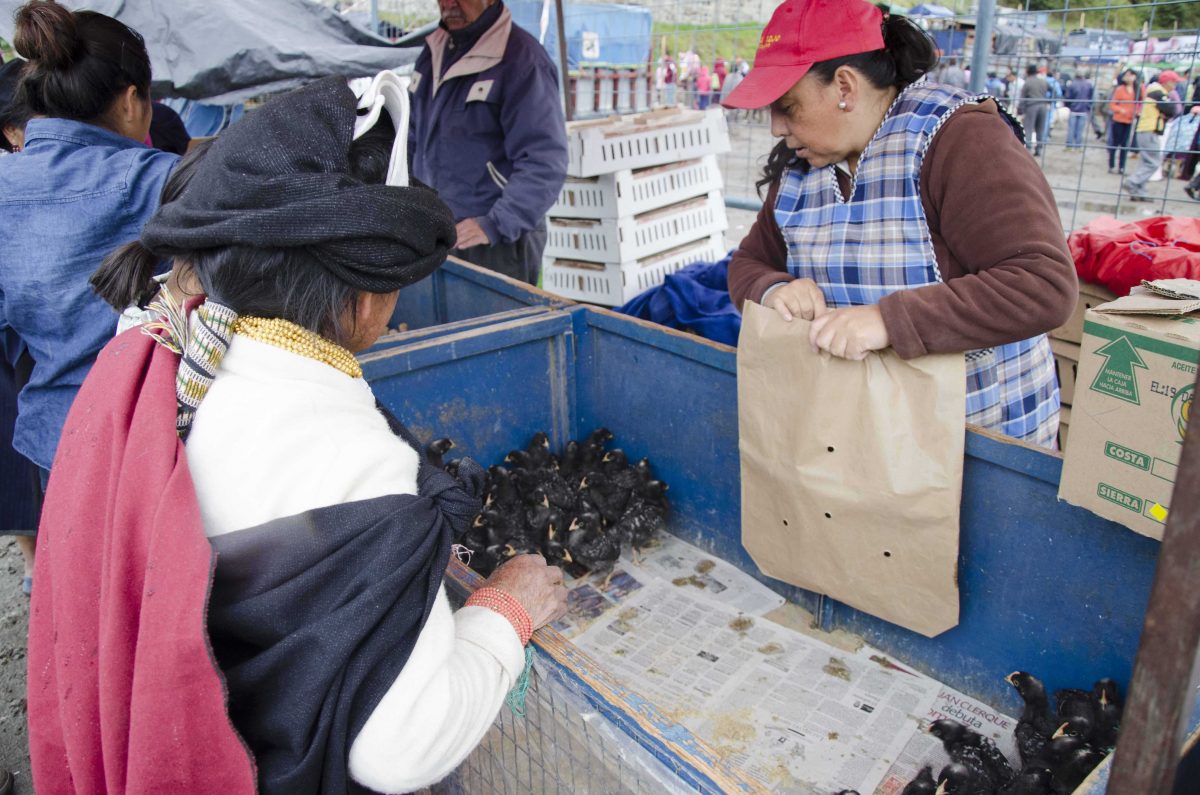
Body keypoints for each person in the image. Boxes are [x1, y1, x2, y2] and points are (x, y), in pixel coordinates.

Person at [29, 75, 569, 793]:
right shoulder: (353, 465)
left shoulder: (165, 351)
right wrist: (506, 609)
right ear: (366, 293)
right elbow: (397, 750)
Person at [723, 0, 1075, 448]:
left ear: (844, 87)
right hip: (869, 438)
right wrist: (774, 289)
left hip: (981, 441)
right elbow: (748, 263)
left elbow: (1042, 284)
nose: (776, 128)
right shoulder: (801, 168)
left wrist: (887, 320)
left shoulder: (959, 139)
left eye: (787, 106)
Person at [0, 0, 178, 591]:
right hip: (155, 447)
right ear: (132, 101)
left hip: (58, 442)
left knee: (87, 599)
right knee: (154, 603)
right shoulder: (156, 181)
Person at [408, 0, 568, 286]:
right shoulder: (433, 52)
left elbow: (545, 161)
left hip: (496, 243)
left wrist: (496, 223)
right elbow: (411, 138)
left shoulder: (523, 60)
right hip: (438, 233)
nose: (449, 4)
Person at [1124, 69, 1183, 202]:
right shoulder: (1158, 92)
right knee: (1154, 162)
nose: (1175, 86)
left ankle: (1139, 191)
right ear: (1167, 82)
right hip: (1149, 130)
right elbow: (1172, 110)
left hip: (1147, 129)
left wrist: (1165, 112)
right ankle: (1133, 182)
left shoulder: (1155, 91)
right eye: (1174, 83)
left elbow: (1170, 110)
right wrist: (1165, 112)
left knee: (1145, 161)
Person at [1107, 68, 1139, 174]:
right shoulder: (1120, 89)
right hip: (1119, 120)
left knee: (1125, 145)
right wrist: (1120, 110)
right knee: (1115, 144)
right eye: (1127, 75)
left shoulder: (1137, 89)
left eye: (1131, 75)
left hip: (1129, 121)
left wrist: (1137, 111)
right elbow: (1112, 104)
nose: (1129, 77)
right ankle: (1111, 165)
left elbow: (1141, 102)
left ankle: (1121, 167)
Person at [1019, 63, 1050, 156]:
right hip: (1043, 106)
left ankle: (1028, 149)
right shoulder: (1043, 81)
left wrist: (1020, 109)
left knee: (1028, 127)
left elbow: (1023, 97)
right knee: (1040, 128)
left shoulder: (1028, 82)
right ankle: (1039, 149)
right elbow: (1053, 91)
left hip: (1031, 106)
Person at [1064, 71, 1093, 150]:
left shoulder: (1072, 84)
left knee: (1071, 129)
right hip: (1083, 110)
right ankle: (1078, 146)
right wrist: (1088, 106)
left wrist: (1068, 106)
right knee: (1080, 130)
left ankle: (1069, 146)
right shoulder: (1088, 85)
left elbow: (1068, 97)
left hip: (1073, 109)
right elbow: (1091, 97)